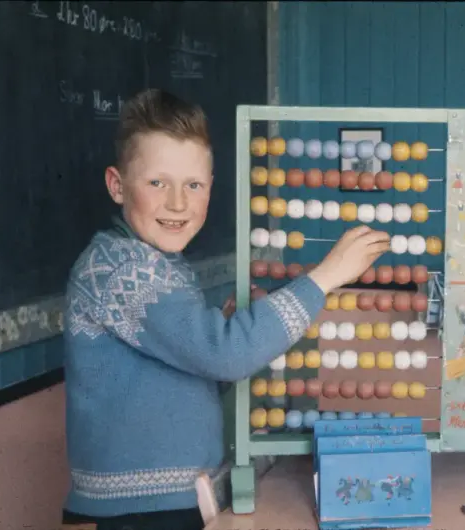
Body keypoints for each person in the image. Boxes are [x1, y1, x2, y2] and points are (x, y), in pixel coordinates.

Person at [61, 88, 390, 529]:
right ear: (117, 185)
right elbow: (226, 355)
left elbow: (194, 369)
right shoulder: (119, 269)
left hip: (172, 505)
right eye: (157, 183)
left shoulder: (160, 266)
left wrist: (228, 328)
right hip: (134, 517)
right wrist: (325, 277)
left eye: (193, 185)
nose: (177, 202)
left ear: (210, 187)